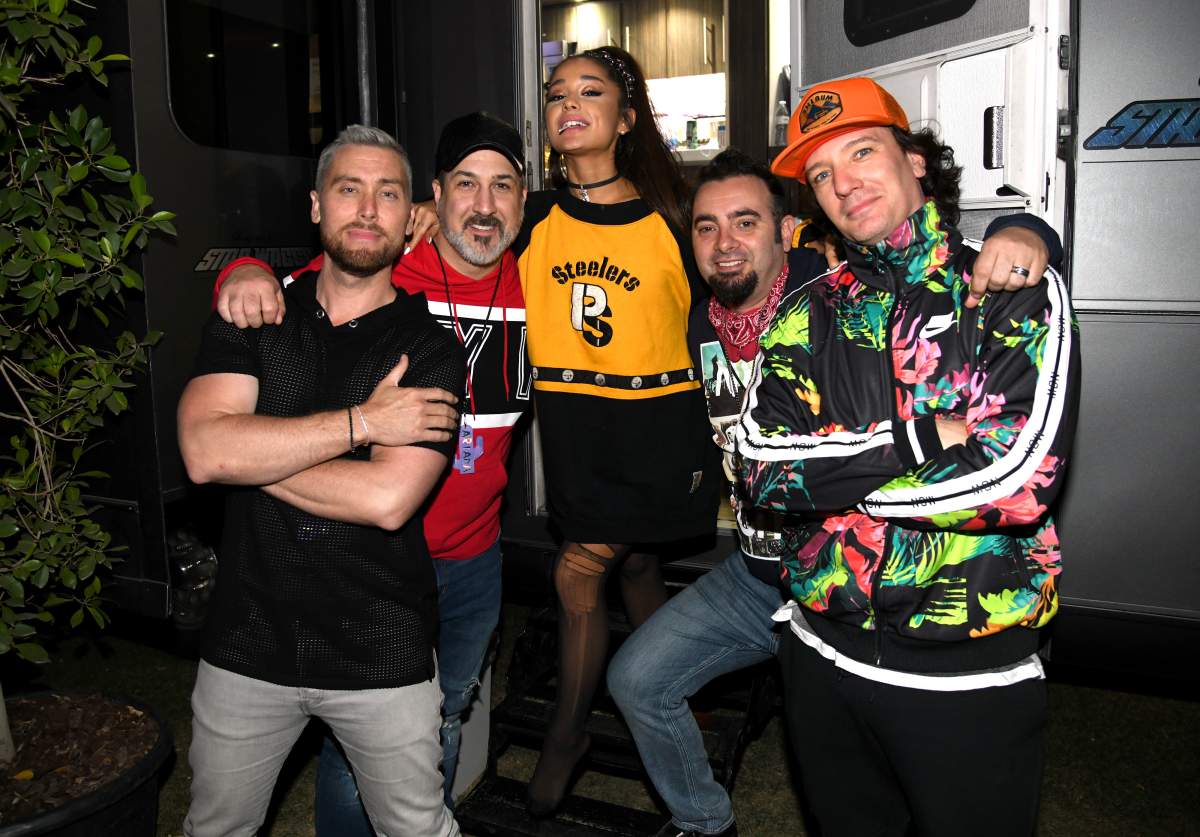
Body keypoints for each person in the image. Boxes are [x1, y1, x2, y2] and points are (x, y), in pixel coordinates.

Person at [606, 148, 1061, 837]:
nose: (724, 244)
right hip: (767, 575)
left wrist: (1031, 231)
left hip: (886, 599)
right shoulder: (698, 320)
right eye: (705, 227)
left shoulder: (825, 286)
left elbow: (926, 253)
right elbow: (756, 463)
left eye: (744, 221)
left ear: (789, 229)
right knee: (637, 678)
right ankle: (704, 821)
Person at [734, 78, 1080, 837]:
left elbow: (1020, 480)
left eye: (861, 152)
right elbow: (756, 466)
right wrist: (922, 441)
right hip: (820, 655)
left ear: (916, 160)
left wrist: (834, 484)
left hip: (968, 675)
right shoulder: (806, 309)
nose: (843, 183)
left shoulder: (1009, 287)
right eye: (821, 174)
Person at [212, 113, 531, 828]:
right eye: (467, 186)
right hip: (375, 560)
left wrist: (244, 459)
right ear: (435, 196)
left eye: (504, 187)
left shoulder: (534, 277)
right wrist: (245, 269)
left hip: (476, 561)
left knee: (441, 725)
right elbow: (279, 296)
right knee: (355, 747)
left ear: (524, 200)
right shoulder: (393, 262)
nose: (484, 206)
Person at [177, 125, 465, 836]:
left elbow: (386, 499)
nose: (367, 209)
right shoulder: (253, 313)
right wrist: (363, 424)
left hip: (382, 647)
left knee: (418, 828)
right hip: (246, 644)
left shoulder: (431, 349)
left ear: (408, 222)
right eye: (348, 189)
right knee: (215, 828)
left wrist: (256, 450)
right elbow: (204, 452)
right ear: (314, 206)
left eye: (387, 194)